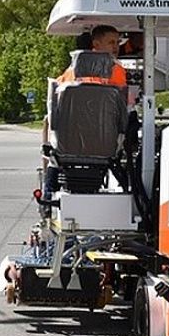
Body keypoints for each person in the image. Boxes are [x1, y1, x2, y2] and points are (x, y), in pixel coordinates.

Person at [40, 25, 129, 205]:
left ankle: (48, 192)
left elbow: (53, 115)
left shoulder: (67, 76)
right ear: (95, 44)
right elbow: (124, 110)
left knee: (52, 158)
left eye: (117, 42)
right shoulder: (117, 72)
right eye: (111, 42)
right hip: (106, 145)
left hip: (67, 147)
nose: (116, 47)